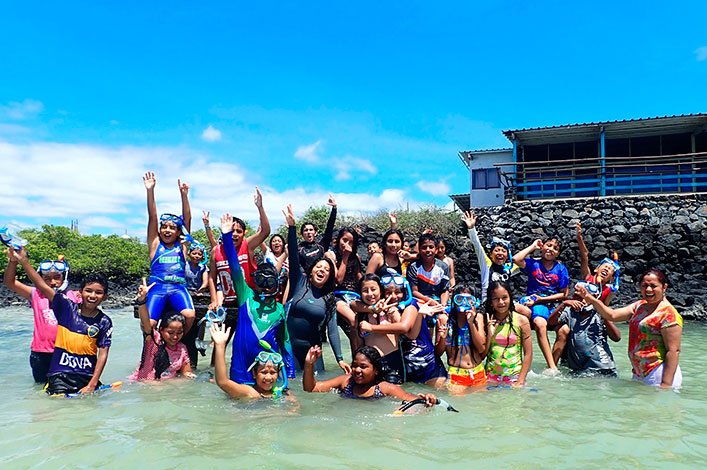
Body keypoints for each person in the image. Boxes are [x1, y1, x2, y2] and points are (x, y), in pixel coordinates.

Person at [11, 247, 112, 395]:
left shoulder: (104, 321)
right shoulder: (67, 307)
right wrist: (23, 261)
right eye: (88, 291)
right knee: (45, 397)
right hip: (53, 365)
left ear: (105, 297)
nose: (92, 295)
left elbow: (103, 353)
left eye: (98, 292)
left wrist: (93, 384)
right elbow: (40, 285)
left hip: (84, 373)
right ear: (81, 293)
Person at [218, 213, 296, 384]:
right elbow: (235, 267)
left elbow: (285, 341)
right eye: (260, 280)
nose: (265, 285)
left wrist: (290, 371)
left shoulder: (280, 310)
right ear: (255, 280)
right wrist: (226, 236)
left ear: (276, 284)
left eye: (270, 281)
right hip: (241, 370)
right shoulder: (246, 296)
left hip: (268, 372)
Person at [576, 269, 683, 388]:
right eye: (644, 285)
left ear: (664, 287)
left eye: (653, 286)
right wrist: (591, 299)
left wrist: (666, 384)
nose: (648, 290)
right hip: (639, 372)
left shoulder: (668, 314)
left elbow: (673, 351)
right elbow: (612, 315)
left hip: (658, 372)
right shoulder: (640, 306)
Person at [283, 204, 349, 373]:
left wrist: (340, 359)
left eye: (327, 270)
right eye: (319, 267)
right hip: (288, 349)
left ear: (329, 276)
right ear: (311, 270)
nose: (322, 270)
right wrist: (292, 228)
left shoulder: (329, 298)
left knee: (315, 393)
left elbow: (333, 330)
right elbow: (292, 254)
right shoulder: (299, 283)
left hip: (313, 352)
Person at [4, 251, 81, 383]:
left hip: (66, 353)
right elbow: (9, 282)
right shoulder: (35, 294)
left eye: (57, 277)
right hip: (40, 354)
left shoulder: (74, 296)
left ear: (64, 277)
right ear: (40, 279)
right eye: (47, 278)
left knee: (64, 391)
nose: (53, 282)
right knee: (41, 390)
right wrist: (13, 261)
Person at [551, 222, 621, 366]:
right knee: (563, 331)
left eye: (611, 271)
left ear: (611, 279)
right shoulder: (588, 277)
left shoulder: (608, 290)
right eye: (605, 267)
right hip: (571, 312)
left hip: (591, 316)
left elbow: (605, 309)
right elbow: (584, 256)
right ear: (597, 269)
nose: (607, 269)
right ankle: (551, 366)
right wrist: (579, 237)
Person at [358, 274, 447, 387]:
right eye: (389, 292)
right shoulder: (383, 309)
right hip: (406, 368)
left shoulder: (411, 306)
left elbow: (406, 329)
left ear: (405, 292)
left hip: (428, 364)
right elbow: (354, 305)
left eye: (398, 292)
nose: (394, 296)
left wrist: (371, 328)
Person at [142, 171, 195, 332]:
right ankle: (155, 345)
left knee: (190, 315)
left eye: (172, 228)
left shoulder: (183, 245)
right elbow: (153, 216)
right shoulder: (155, 243)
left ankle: (178, 341)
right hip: (157, 287)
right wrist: (150, 191)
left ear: (179, 232)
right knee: (149, 325)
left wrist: (184, 195)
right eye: (164, 227)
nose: (167, 230)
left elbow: (187, 220)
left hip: (177, 287)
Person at [303, 345, 437, 407]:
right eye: (355, 365)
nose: (357, 370)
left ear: (376, 370)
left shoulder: (384, 388)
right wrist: (309, 365)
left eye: (363, 366)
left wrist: (426, 399)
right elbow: (311, 388)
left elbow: (409, 398)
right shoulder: (346, 382)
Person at [513, 237, 569, 371]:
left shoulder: (561, 269)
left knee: (565, 330)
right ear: (542, 247)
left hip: (553, 304)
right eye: (548, 245)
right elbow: (516, 259)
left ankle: (551, 365)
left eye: (555, 248)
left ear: (558, 254)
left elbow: (564, 294)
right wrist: (533, 246)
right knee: (540, 323)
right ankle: (552, 367)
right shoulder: (534, 264)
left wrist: (542, 299)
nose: (550, 249)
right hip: (535, 303)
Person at [548, 283, 621, 376]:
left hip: (602, 368)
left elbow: (616, 337)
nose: (579, 300)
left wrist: (605, 316)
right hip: (579, 368)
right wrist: (563, 304)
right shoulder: (569, 310)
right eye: (576, 296)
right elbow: (551, 323)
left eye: (582, 297)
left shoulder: (599, 312)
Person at [130, 279, 194, 381]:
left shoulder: (181, 349)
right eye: (170, 332)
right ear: (161, 330)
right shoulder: (154, 341)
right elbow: (146, 323)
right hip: (145, 385)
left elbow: (187, 372)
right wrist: (142, 300)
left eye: (179, 332)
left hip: (167, 388)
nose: (175, 337)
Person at [211, 323, 291, 399]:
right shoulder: (249, 393)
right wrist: (220, 345)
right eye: (263, 372)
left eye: (273, 372)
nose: (268, 377)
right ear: (254, 373)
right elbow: (223, 382)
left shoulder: (282, 392)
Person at [354, 274, 406, 384]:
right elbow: (358, 344)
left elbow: (402, 329)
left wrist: (372, 328)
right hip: (370, 365)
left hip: (391, 363)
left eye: (373, 289)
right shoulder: (361, 315)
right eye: (365, 290)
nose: (370, 294)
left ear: (381, 291)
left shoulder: (390, 310)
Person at [461, 210, 519, 302]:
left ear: (507, 256)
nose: (500, 253)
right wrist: (471, 229)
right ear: (490, 255)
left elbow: (522, 261)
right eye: (496, 250)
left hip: (504, 303)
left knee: (526, 312)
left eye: (503, 251)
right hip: (488, 303)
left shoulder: (509, 268)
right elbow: (477, 245)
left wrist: (534, 247)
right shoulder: (486, 264)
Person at [438, 285, 488, 389]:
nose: (464, 302)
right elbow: (438, 353)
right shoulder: (444, 319)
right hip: (456, 374)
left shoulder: (478, 318)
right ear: (454, 301)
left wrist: (471, 323)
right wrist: (443, 338)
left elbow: (481, 348)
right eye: (459, 299)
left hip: (478, 372)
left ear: (475, 302)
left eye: (469, 299)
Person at [485, 281, 533, 386]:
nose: (501, 302)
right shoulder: (487, 321)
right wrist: (489, 334)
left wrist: (521, 380)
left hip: (515, 377)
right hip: (490, 378)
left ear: (510, 298)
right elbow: (482, 353)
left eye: (504, 297)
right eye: (495, 299)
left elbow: (528, 354)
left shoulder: (522, 321)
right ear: (490, 301)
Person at [406, 233, 450, 309]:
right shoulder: (413, 267)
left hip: (438, 300)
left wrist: (443, 306)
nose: (428, 250)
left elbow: (445, 290)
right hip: (420, 300)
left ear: (436, 250)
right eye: (424, 247)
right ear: (419, 250)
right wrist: (428, 301)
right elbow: (414, 291)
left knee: (443, 318)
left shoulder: (443, 267)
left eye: (431, 247)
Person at [298, 195, 337, 272]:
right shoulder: (299, 249)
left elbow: (329, 228)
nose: (309, 232)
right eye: (306, 230)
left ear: (315, 233)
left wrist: (334, 208)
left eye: (311, 230)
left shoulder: (321, 246)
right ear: (302, 234)